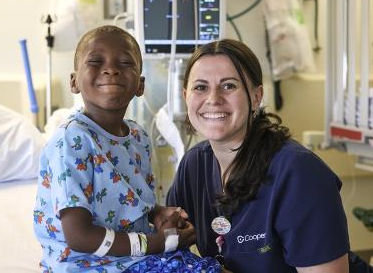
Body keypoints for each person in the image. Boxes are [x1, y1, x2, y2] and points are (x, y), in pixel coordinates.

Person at [33, 25, 221, 272]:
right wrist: (157, 243)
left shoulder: (138, 137)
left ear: (140, 85)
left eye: (125, 63)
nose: (111, 69)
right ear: (74, 81)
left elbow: (132, 199)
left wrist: (157, 214)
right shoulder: (71, 140)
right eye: (96, 61)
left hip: (134, 257)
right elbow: (78, 236)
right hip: (87, 264)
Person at [166, 38, 352, 272]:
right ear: (186, 97)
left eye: (229, 85)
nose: (213, 99)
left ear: (256, 97)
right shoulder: (194, 165)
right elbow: (170, 239)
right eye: (200, 87)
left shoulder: (297, 172)